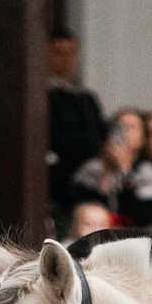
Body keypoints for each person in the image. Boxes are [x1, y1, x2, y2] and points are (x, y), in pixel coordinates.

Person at [46, 30, 107, 210]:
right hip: (63, 178)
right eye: (58, 53)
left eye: (71, 52)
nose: (66, 59)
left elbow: (101, 133)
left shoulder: (86, 97)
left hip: (94, 171)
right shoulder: (42, 98)